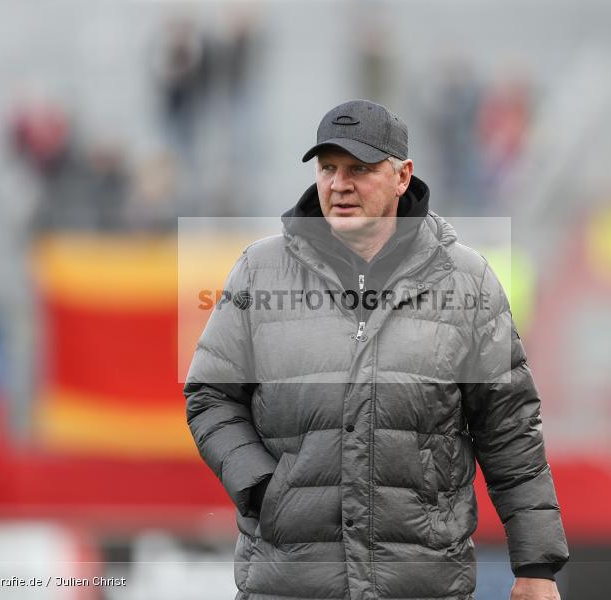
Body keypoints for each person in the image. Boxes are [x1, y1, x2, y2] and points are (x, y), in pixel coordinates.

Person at [184, 99, 569, 600]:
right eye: (328, 169)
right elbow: (210, 393)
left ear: (402, 176)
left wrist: (536, 565)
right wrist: (262, 487)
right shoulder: (259, 271)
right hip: (287, 582)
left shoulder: (467, 280)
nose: (339, 185)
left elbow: (509, 427)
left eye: (359, 170)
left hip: (422, 583)